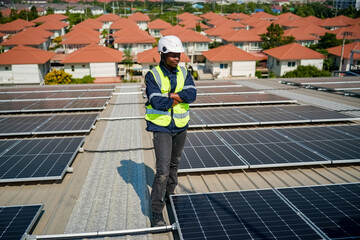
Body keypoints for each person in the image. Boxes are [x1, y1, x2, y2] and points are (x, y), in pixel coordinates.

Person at [144, 35, 197, 227]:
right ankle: (157, 211)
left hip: (181, 126)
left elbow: (192, 95)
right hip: (162, 127)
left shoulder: (185, 72)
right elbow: (156, 101)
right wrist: (178, 97)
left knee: (175, 164)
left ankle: (170, 195)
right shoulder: (152, 75)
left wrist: (170, 96)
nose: (177, 58)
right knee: (163, 171)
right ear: (163, 54)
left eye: (179, 55)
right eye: (173, 55)